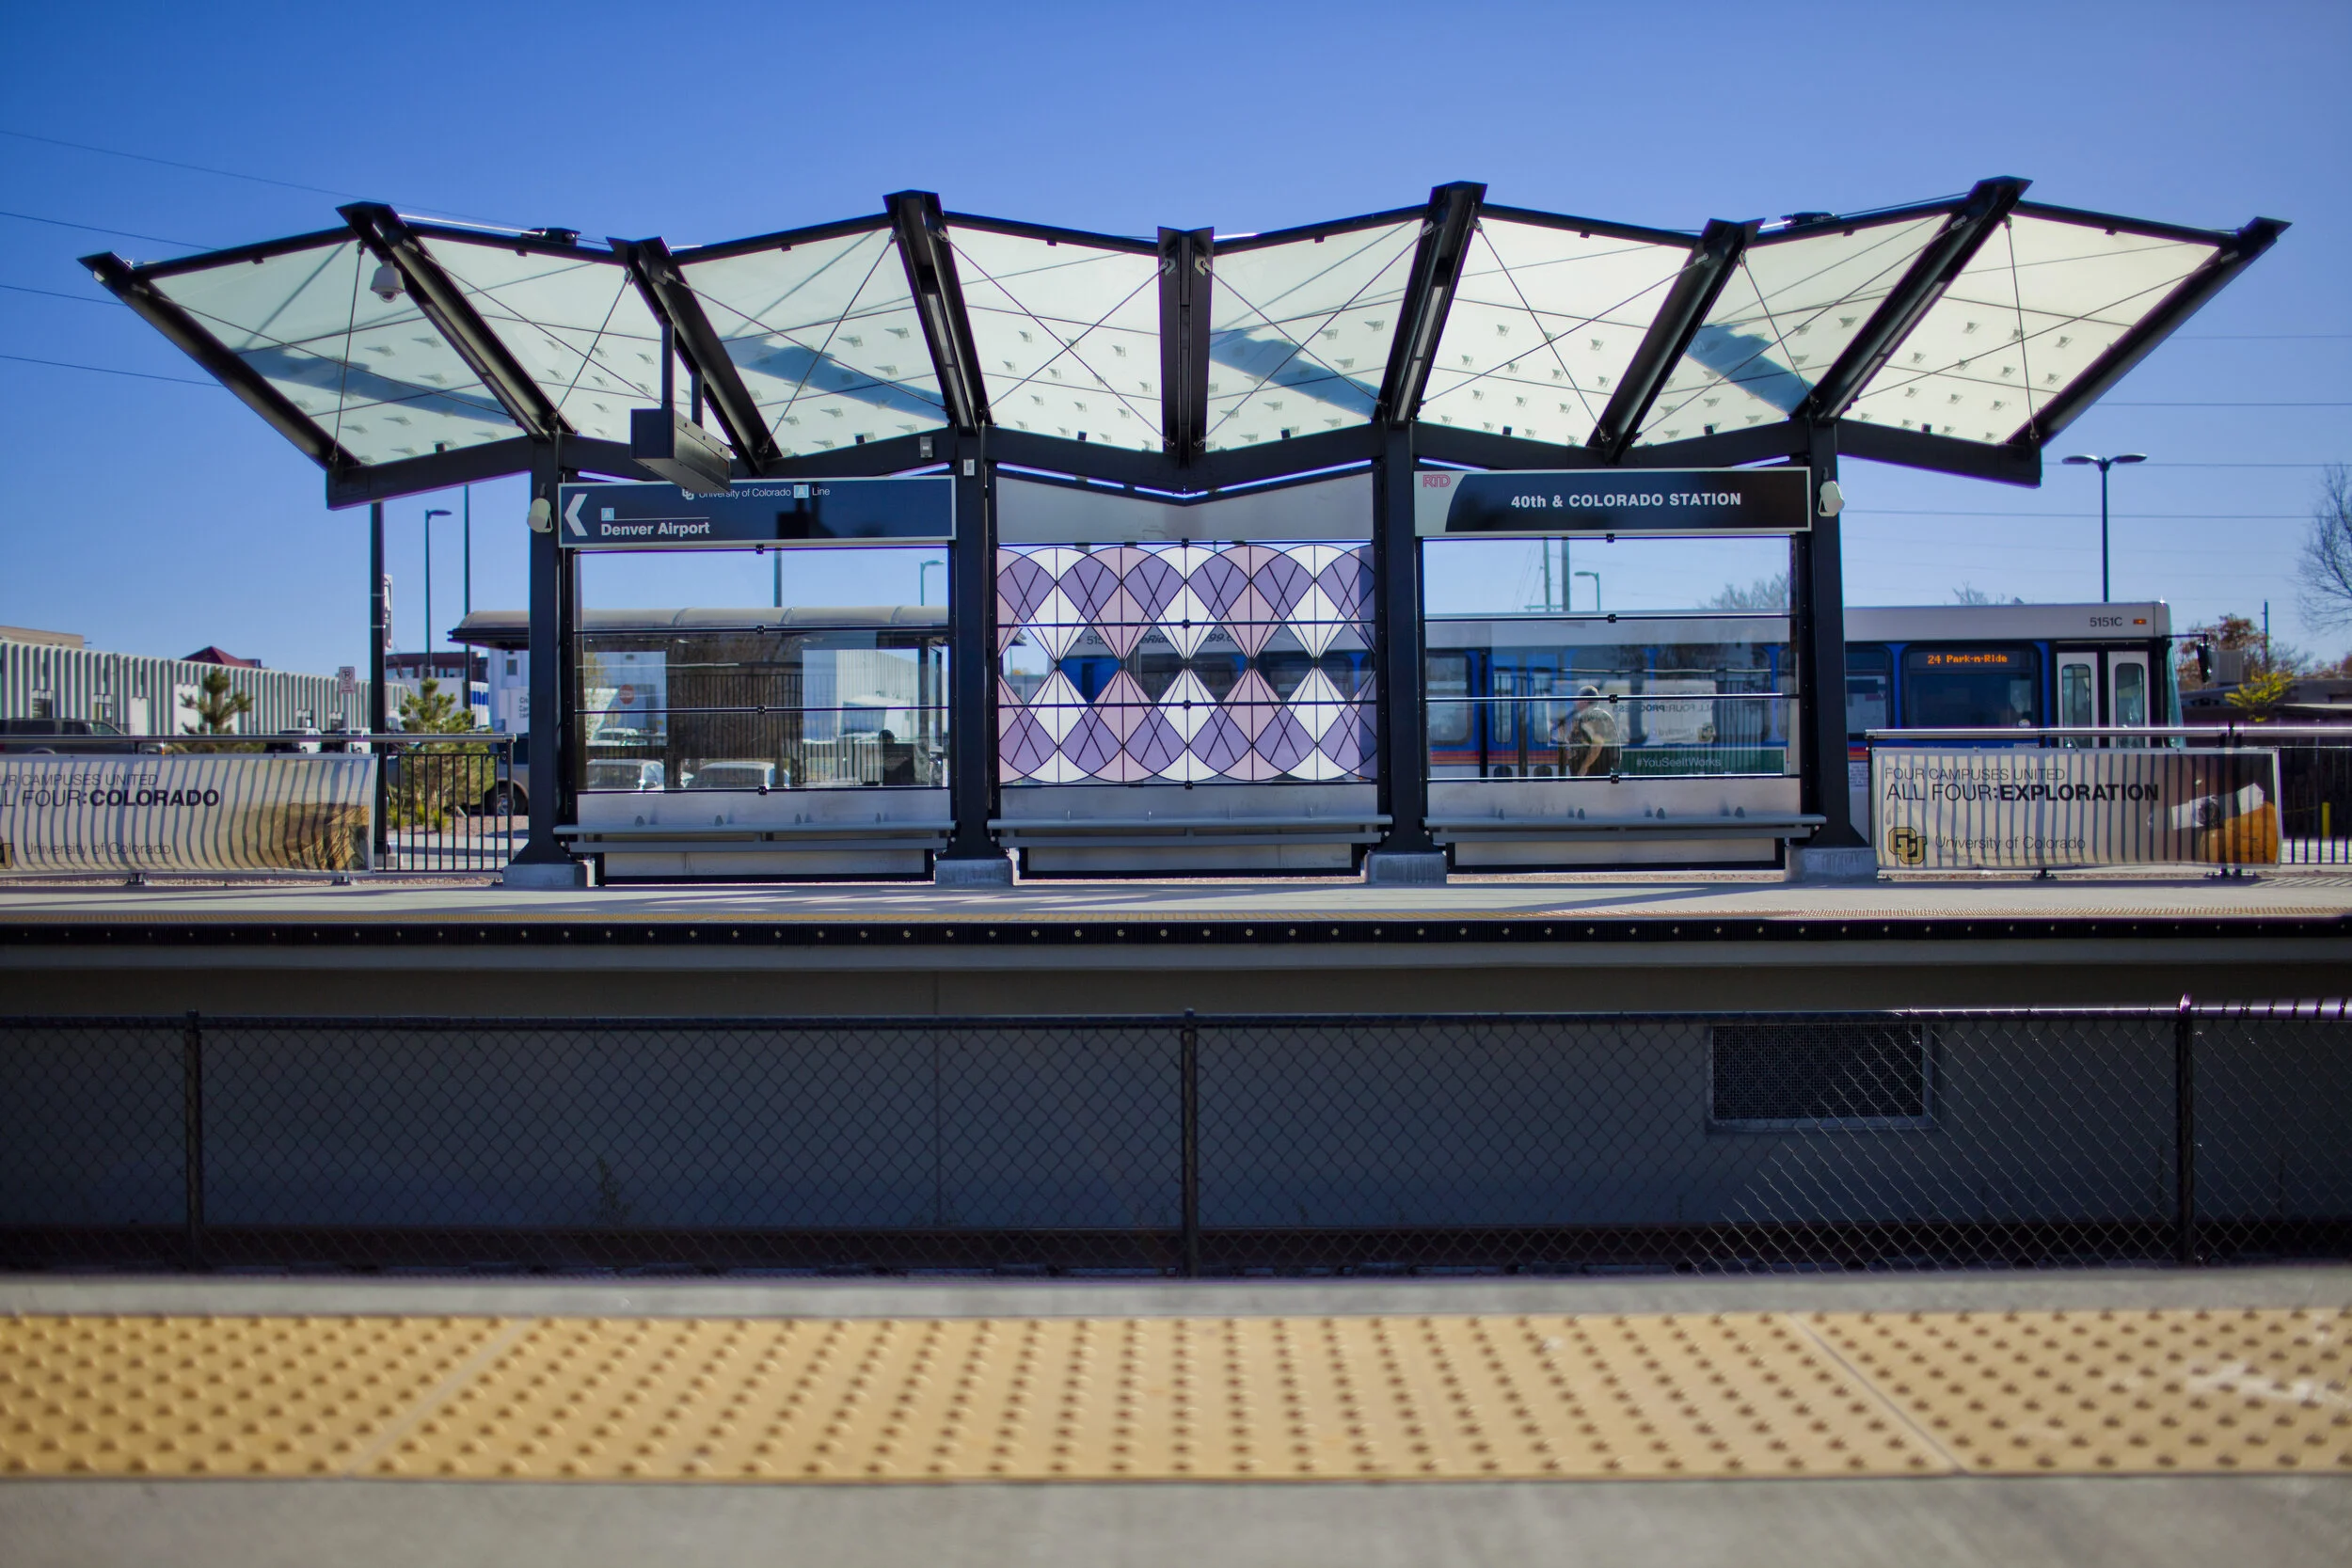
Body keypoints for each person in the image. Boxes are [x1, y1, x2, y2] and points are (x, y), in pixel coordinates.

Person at [1553, 685, 1622, 777]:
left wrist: (1584, 767)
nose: (1575, 702)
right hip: (1586, 774)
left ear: (1585, 701)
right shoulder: (1583, 718)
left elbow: (1597, 745)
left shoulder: (1596, 716)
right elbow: (1576, 743)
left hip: (1594, 773)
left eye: (1578, 699)